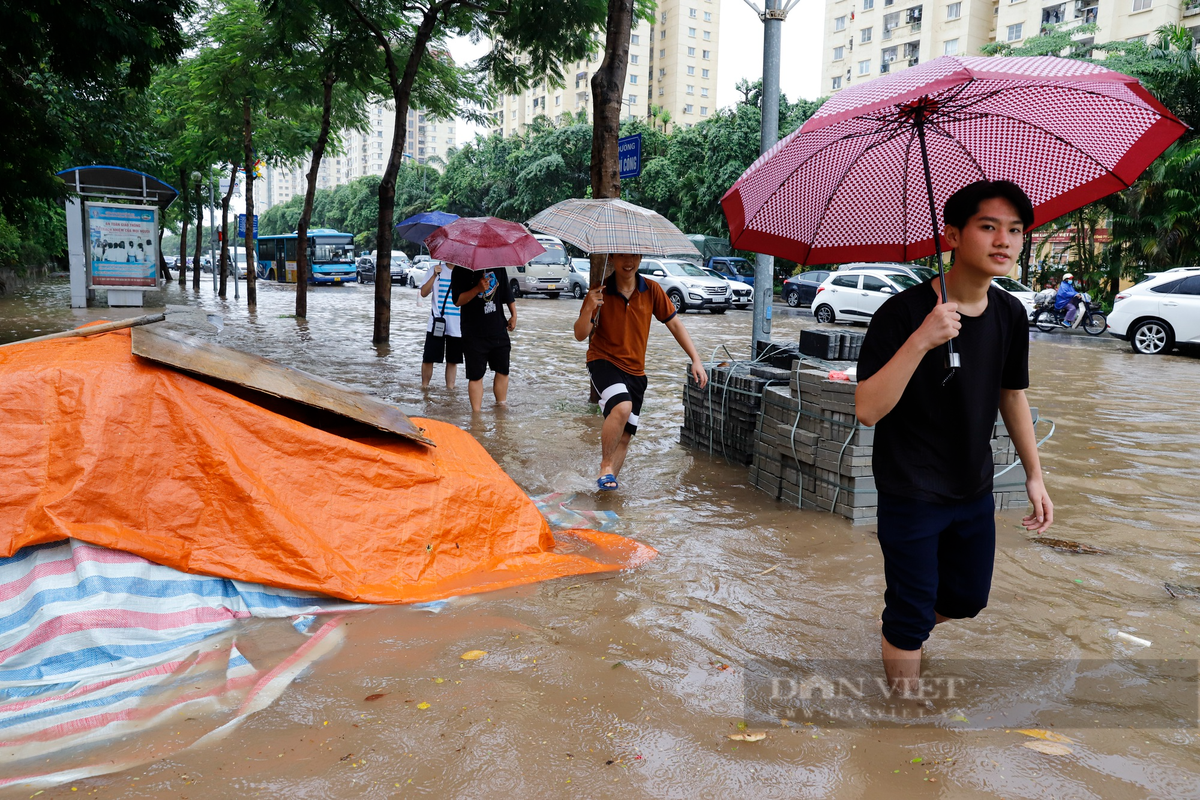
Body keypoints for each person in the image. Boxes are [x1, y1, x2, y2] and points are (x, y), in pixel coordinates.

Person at [854, 180, 1054, 695]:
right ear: (952, 235)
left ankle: (905, 631)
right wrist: (922, 339)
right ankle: (903, 722)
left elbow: (1013, 395)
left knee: (967, 599)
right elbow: (868, 410)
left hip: (973, 486)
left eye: (1014, 230)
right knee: (909, 613)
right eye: (988, 227)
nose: (1004, 241)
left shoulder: (1010, 313)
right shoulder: (900, 314)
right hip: (911, 489)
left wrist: (1035, 475)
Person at [574, 253, 708, 491]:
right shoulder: (599, 291)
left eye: (634, 256)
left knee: (625, 437)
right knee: (622, 406)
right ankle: (605, 465)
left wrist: (695, 359)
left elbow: (675, 324)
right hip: (603, 360)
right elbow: (580, 334)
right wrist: (589, 308)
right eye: (623, 256)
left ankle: (605, 487)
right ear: (613, 258)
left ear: (641, 257)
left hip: (636, 370)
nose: (629, 262)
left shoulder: (652, 290)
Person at [451, 266, 515, 412]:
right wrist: (477, 289)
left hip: (498, 328)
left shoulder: (499, 265)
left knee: (503, 370)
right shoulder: (461, 269)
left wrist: (514, 314)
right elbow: (457, 300)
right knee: (475, 375)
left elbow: (507, 292)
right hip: (473, 332)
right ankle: (476, 416)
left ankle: (501, 408)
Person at [418, 260, 462, 390]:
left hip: (457, 323)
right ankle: (424, 388)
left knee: (453, 360)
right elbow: (423, 293)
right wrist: (434, 276)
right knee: (428, 357)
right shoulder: (435, 269)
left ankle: (450, 390)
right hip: (436, 322)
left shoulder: (464, 273)